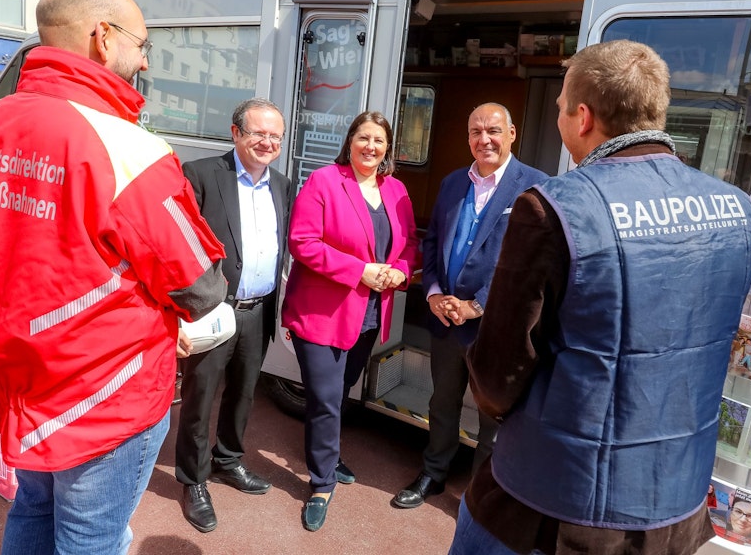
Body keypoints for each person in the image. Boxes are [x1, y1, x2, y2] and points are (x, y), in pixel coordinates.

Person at [0, 0, 228, 555]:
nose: (144, 62)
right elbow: (200, 287)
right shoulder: (127, 147)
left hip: (18, 381)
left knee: (32, 510)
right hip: (104, 391)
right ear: (103, 38)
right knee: (92, 539)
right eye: (142, 45)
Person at [450, 40, 751, 555]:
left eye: (559, 109)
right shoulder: (736, 209)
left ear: (584, 116)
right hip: (675, 502)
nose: (558, 119)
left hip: (554, 501)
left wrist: (494, 403)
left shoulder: (553, 208)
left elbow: (499, 371)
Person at [393, 102, 547, 510]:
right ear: (467, 138)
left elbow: (531, 261)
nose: (485, 139)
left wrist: (478, 305)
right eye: (476, 131)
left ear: (512, 134)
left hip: (497, 328)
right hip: (446, 319)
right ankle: (434, 472)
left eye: (493, 130)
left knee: (493, 417)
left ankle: (481, 495)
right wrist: (435, 292)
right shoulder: (451, 184)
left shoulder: (537, 187)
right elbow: (432, 242)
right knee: (441, 402)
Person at [281, 111, 420, 532]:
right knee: (324, 396)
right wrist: (359, 270)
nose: (371, 147)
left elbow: (411, 243)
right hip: (322, 313)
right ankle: (321, 483)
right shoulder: (325, 181)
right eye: (363, 138)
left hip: (370, 313)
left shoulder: (396, 190)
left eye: (379, 141)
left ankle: (329, 450)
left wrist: (399, 269)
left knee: (341, 390)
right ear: (350, 141)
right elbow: (302, 241)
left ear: (387, 149)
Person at [175, 97, 291, 533]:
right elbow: (181, 247)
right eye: (258, 132)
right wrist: (181, 313)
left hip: (258, 310)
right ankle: (193, 480)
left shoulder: (282, 184)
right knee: (200, 397)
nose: (267, 142)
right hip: (212, 312)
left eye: (275, 136)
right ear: (236, 132)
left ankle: (228, 460)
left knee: (244, 393)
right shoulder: (202, 175)